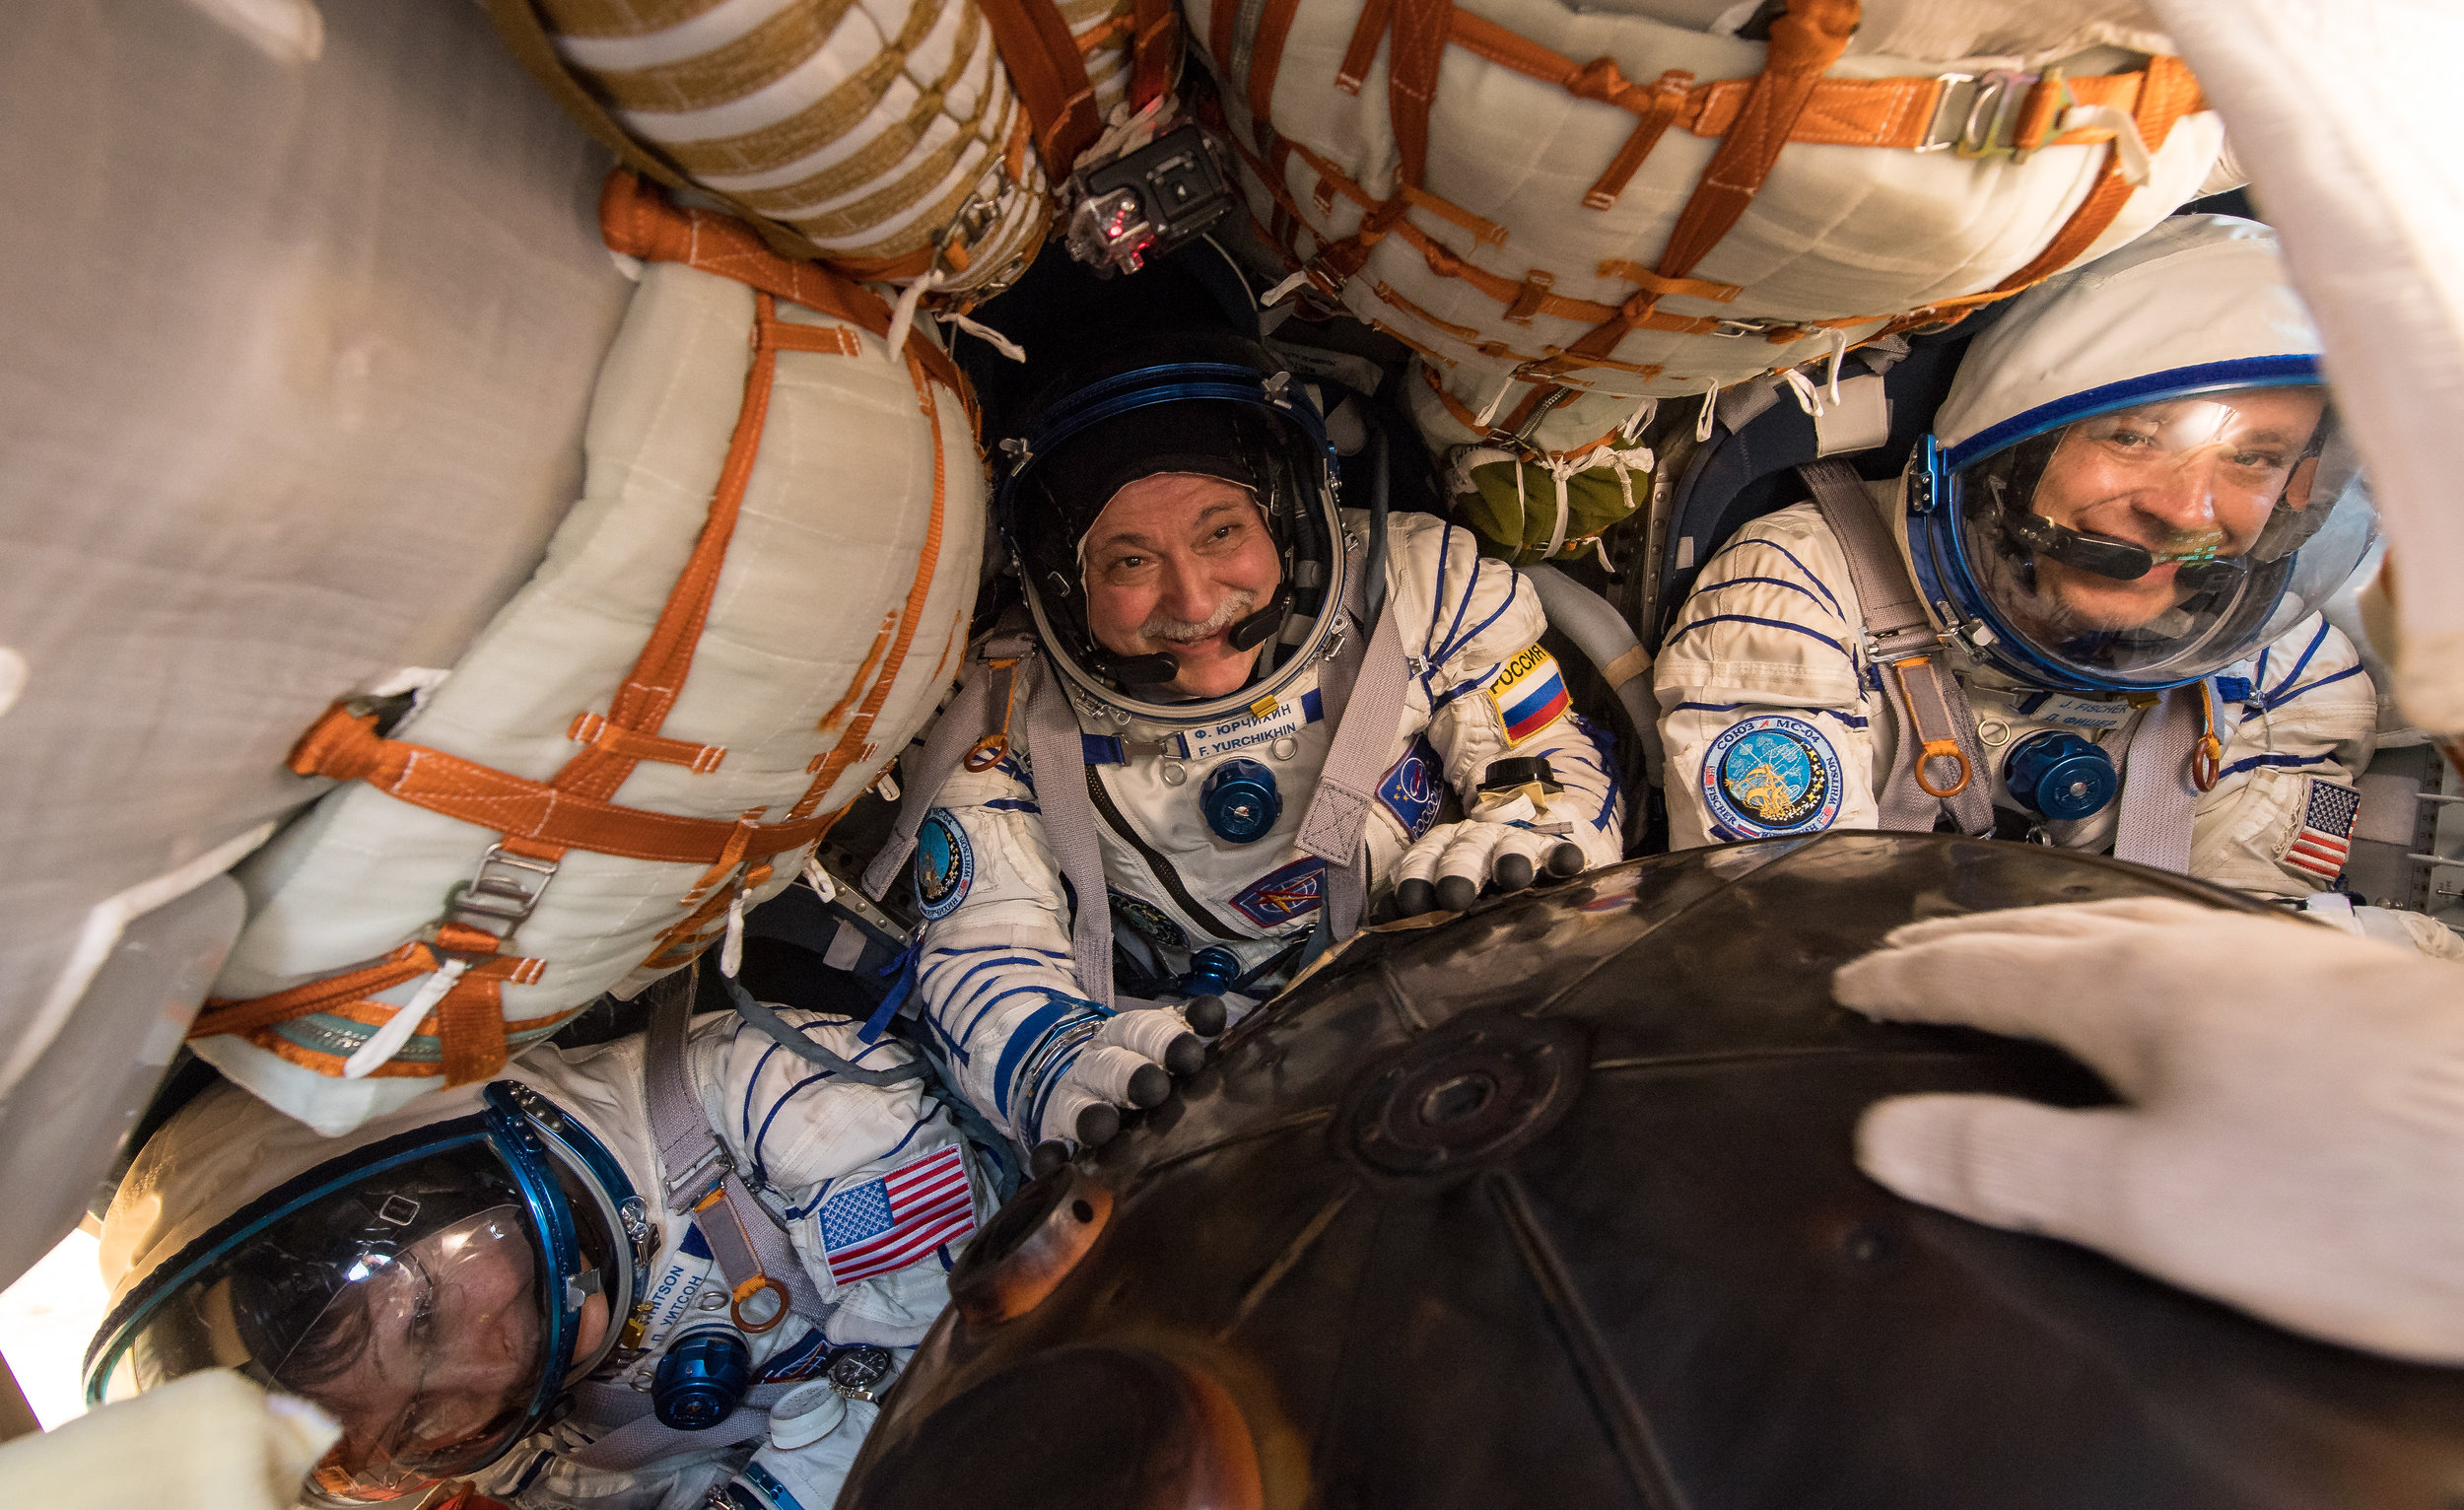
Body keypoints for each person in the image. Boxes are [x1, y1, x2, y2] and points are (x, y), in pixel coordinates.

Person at [864, 331, 1625, 1163]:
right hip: (1189, 1072)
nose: (1192, 597)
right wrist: (1057, 1062)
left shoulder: (1421, 588)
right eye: (1128, 559)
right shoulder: (1003, 713)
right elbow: (989, 942)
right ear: (1060, 580)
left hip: (1439, 1010)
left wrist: (1534, 836)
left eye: (1222, 532)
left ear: (1288, 514)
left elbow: (1547, 764)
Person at [1654, 216, 2383, 906]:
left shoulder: (2284, 676)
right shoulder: (1802, 601)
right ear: (2010, 457)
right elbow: (1781, 957)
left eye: (2254, 459)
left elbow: (2258, 972)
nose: (2188, 512)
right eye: (2133, 438)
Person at [83, 978, 991, 1509]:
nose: (487, 1373)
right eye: (412, 1422)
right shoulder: (561, 1462)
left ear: (445, 1170)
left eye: (428, 1317)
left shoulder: (768, 1093)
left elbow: (947, 1321)